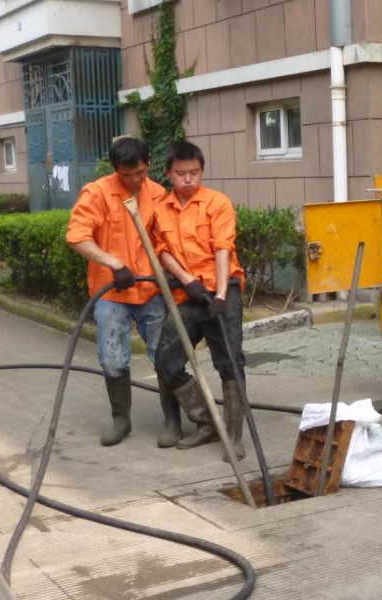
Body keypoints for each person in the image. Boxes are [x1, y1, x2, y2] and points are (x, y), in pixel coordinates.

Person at [67, 137, 180, 448]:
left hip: (150, 290)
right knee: (112, 357)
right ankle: (121, 419)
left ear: (148, 165)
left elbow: (167, 241)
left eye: (141, 172)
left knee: (166, 355)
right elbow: (77, 237)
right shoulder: (97, 193)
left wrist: (177, 275)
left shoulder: (156, 194)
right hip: (112, 294)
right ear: (116, 169)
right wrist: (112, 262)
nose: (135, 180)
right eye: (127, 175)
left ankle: (172, 420)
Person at [152, 140, 248, 461]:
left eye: (195, 172)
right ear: (169, 174)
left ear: (202, 171)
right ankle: (207, 422)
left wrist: (220, 294)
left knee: (230, 362)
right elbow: (162, 252)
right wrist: (188, 282)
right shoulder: (160, 208)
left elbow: (223, 247)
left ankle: (233, 437)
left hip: (222, 290)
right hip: (188, 293)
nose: (189, 179)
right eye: (181, 174)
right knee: (166, 358)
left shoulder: (217, 203)